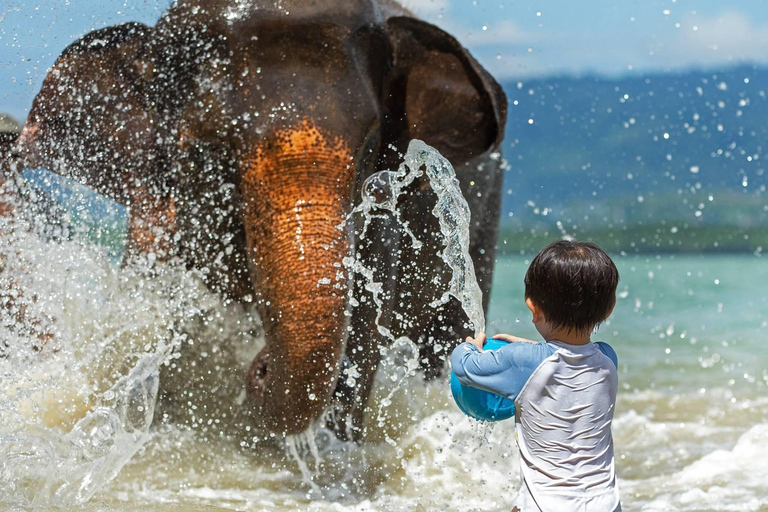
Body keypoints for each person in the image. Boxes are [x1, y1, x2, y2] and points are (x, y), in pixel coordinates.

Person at [451, 240, 621, 512]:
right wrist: (531, 349)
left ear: (533, 308)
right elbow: (565, 359)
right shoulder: (608, 359)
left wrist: (471, 344)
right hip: (606, 503)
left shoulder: (522, 361)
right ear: (609, 309)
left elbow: (464, 367)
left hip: (545, 505)